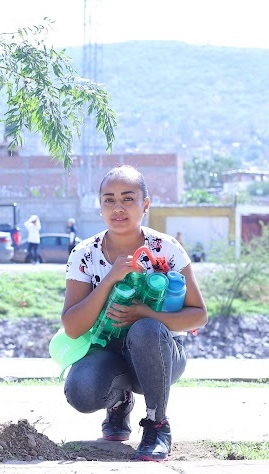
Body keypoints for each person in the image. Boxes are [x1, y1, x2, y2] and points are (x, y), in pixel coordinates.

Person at [61, 165, 207, 461]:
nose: (118, 208)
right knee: (81, 391)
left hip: (161, 353)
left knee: (146, 329)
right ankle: (117, 401)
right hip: (108, 348)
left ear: (145, 205)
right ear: (100, 206)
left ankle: (157, 425)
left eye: (128, 199)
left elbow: (198, 315)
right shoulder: (84, 254)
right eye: (109, 200)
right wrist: (110, 279)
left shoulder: (166, 249)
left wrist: (144, 313)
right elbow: (72, 328)